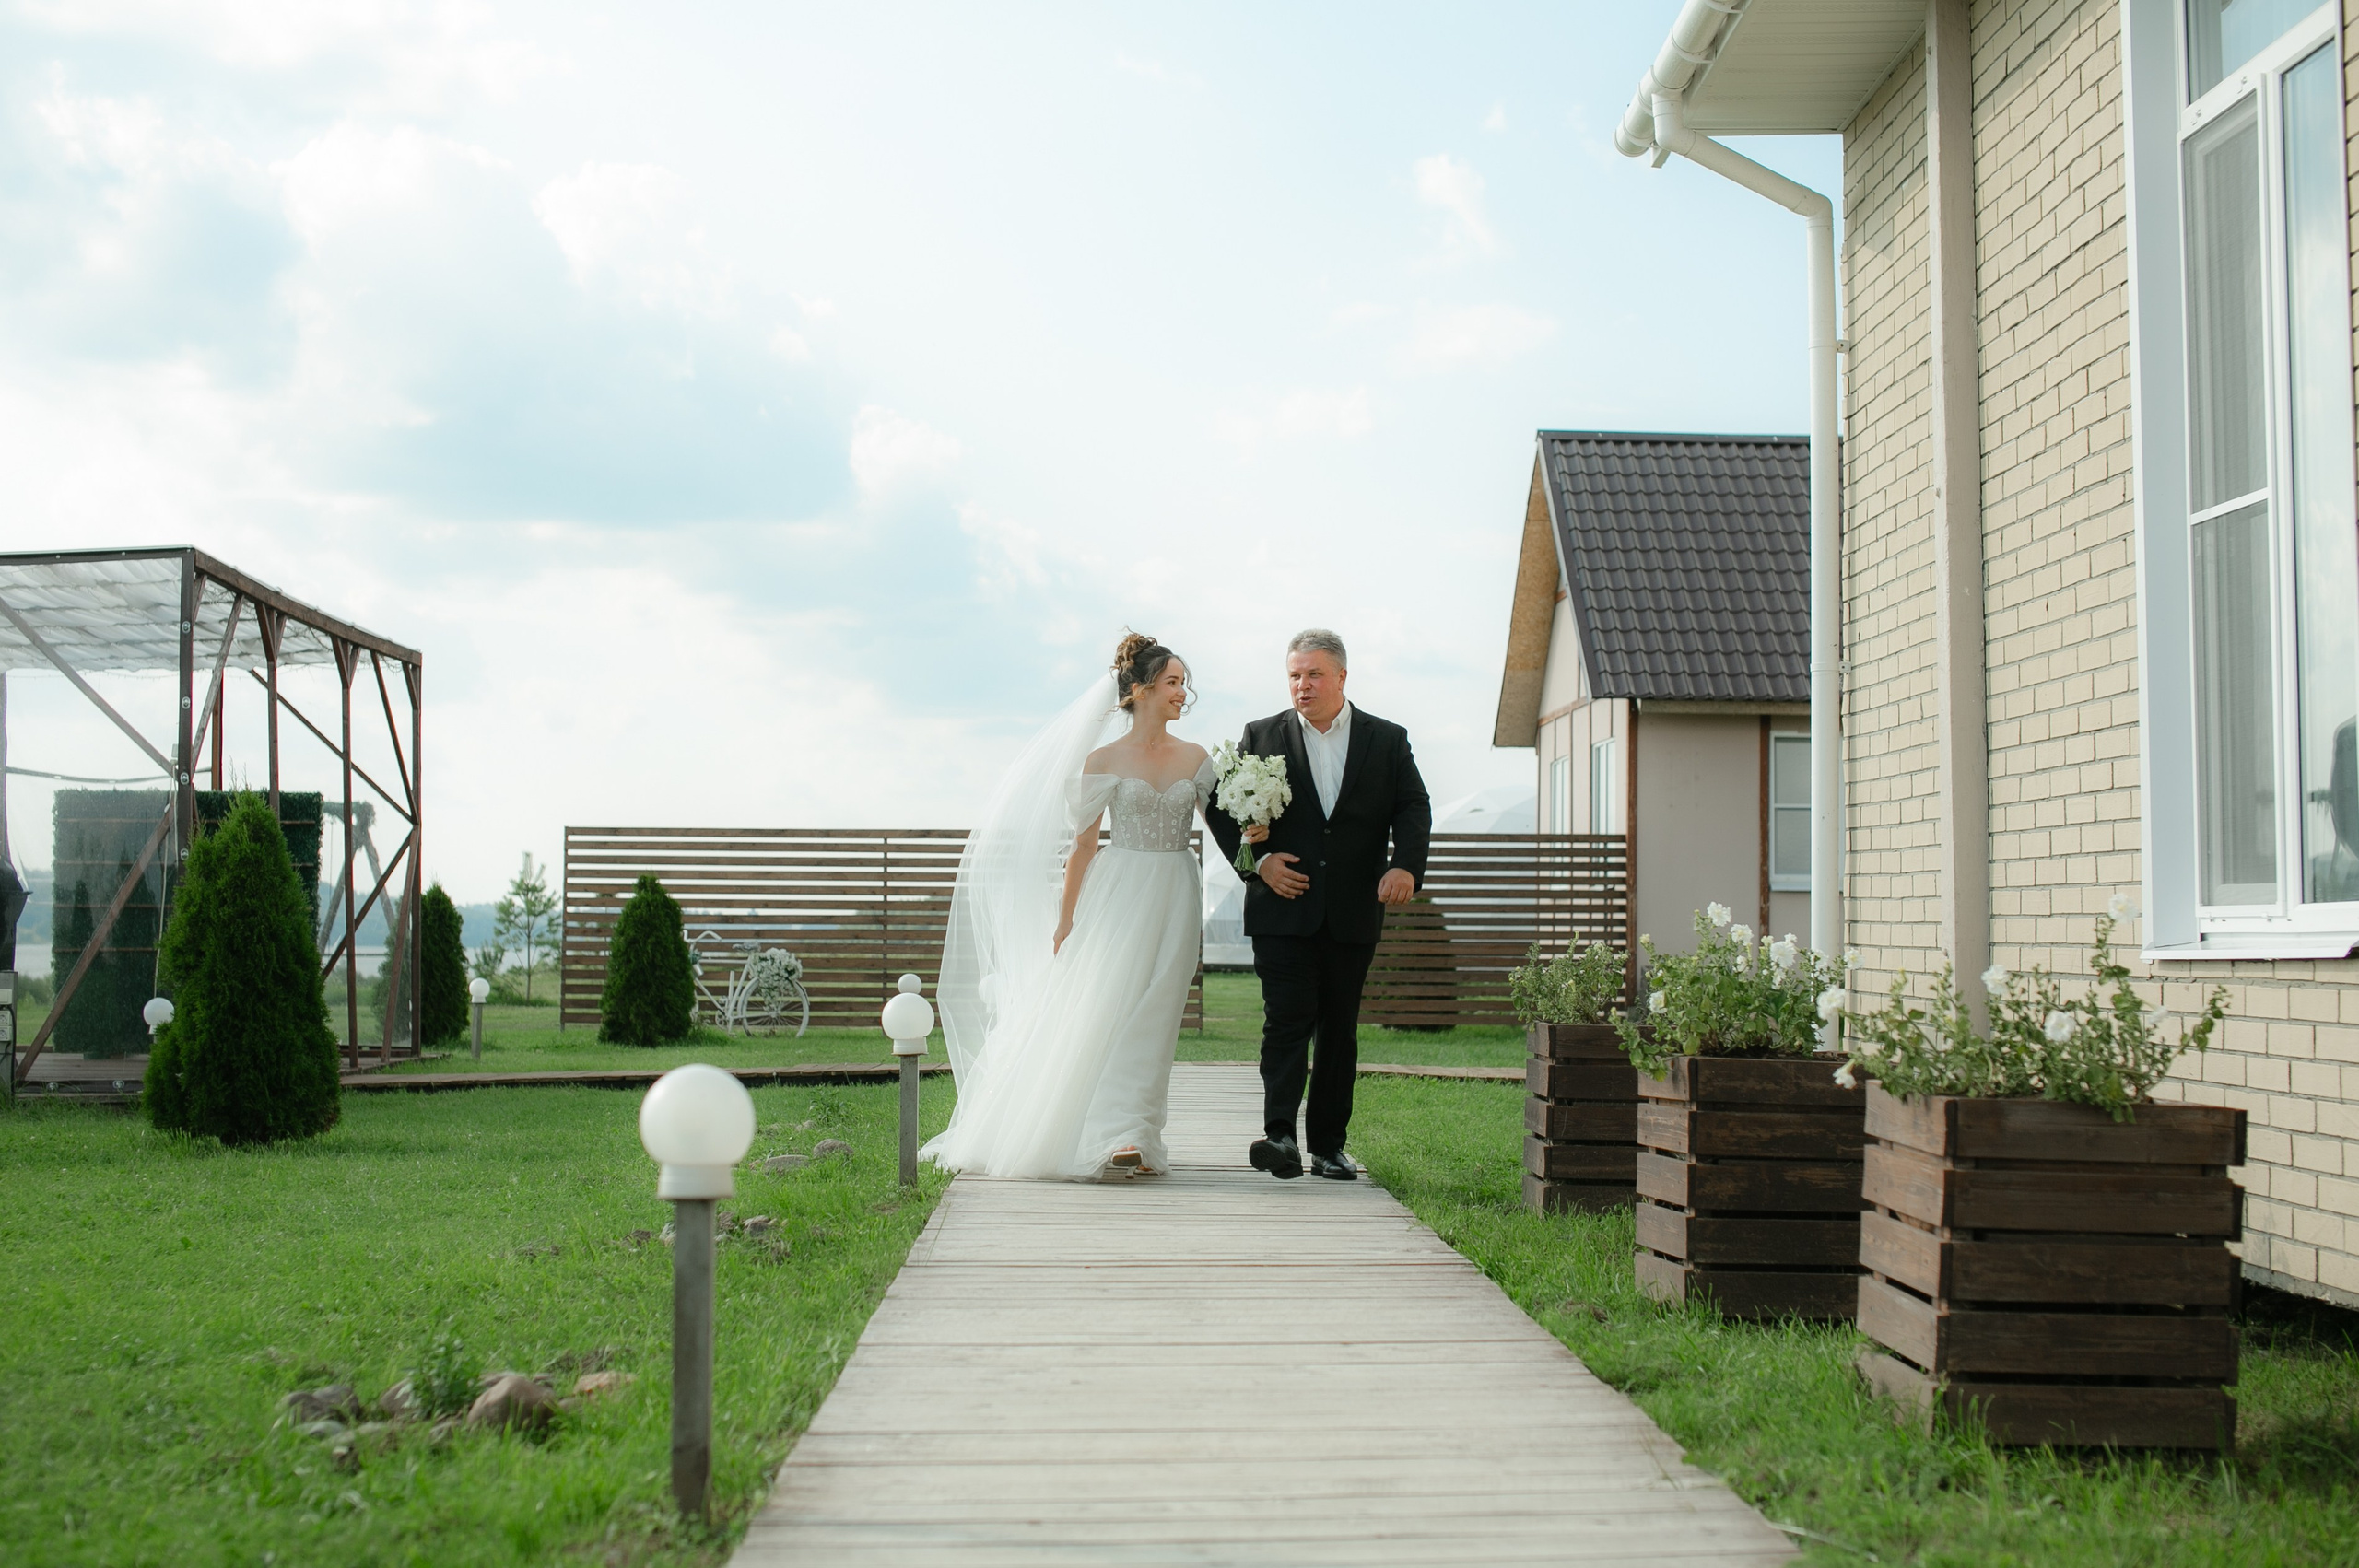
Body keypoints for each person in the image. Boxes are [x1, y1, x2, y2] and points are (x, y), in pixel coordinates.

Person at [924, 632, 1248, 1180]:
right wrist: (1066, 919)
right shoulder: (1103, 759)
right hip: (1119, 891)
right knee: (1111, 1007)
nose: (1182, 693)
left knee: (1159, 1009)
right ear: (1141, 690)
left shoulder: (1196, 758)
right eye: (1172, 682)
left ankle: (1139, 1133)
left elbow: (1225, 829)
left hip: (1176, 888)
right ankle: (1119, 1136)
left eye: (1183, 684)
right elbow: (1083, 845)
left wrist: (1257, 844)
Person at [1204, 629, 1430, 1181]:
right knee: (1285, 1021)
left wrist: (1405, 866)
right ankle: (1279, 1136)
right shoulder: (1260, 736)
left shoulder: (1387, 739)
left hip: (1353, 911)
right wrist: (1258, 863)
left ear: (1342, 677)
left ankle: (1329, 1147)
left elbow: (1413, 806)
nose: (1302, 685)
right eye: (1294, 675)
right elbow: (1221, 809)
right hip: (1282, 908)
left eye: (1313, 674)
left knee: (1338, 1031)